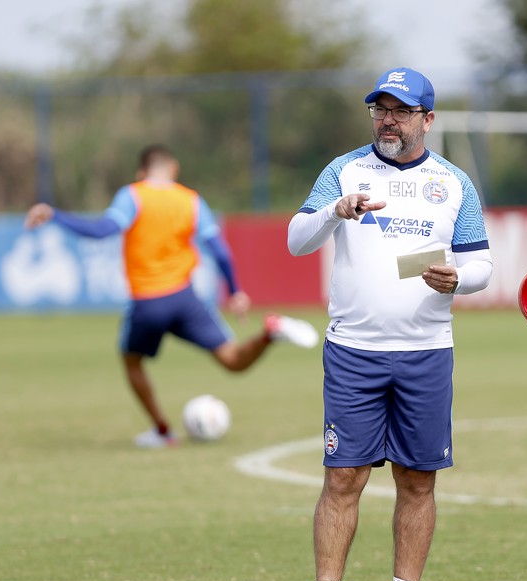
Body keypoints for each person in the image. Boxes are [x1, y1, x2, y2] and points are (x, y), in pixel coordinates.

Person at [287, 67, 492, 581]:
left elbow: (481, 262)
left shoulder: (453, 183)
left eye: (400, 110)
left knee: (418, 480)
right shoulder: (344, 170)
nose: (387, 119)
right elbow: (296, 240)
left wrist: (459, 279)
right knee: (343, 476)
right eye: (380, 109)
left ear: (427, 119)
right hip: (354, 351)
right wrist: (335, 211)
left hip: (426, 352)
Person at [24, 144, 319, 449]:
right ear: (174, 169)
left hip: (148, 302)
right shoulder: (190, 200)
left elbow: (102, 230)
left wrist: (55, 215)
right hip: (184, 298)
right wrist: (234, 291)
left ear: (141, 173)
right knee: (232, 360)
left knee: (132, 362)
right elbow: (219, 250)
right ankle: (269, 334)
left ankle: (162, 431)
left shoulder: (133, 195)